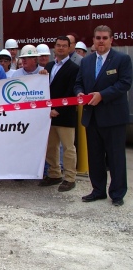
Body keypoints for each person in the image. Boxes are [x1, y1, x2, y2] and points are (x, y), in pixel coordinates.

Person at [74, 25, 132, 206]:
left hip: (113, 117)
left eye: (104, 38)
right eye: (98, 37)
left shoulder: (122, 59)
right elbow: (79, 83)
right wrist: (79, 93)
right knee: (95, 157)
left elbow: (124, 83)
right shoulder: (87, 61)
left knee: (115, 158)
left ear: (111, 39)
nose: (101, 41)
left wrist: (102, 95)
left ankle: (117, 193)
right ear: (93, 40)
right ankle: (98, 190)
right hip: (92, 117)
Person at [39, 36, 79, 192]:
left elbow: (71, 92)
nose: (61, 48)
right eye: (58, 45)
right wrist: (41, 76)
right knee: (51, 146)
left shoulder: (74, 68)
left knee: (68, 148)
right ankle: (54, 174)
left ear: (69, 48)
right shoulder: (48, 66)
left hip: (65, 115)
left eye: (64, 46)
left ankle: (70, 177)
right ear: (54, 48)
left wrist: (59, 110)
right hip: (49, 114)